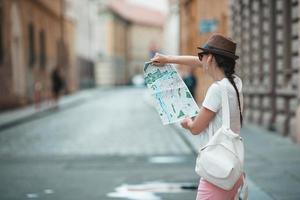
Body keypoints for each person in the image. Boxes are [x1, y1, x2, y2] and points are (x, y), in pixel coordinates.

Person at [151, 33, 244, 200]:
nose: (200, 60)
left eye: (203, 56)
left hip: (217, 174)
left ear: (210, 59)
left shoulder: (216, 90)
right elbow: (199, 62)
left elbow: (195, 128)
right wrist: (168, 59)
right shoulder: (235, 84)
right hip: (233, 171)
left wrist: (186, 122)